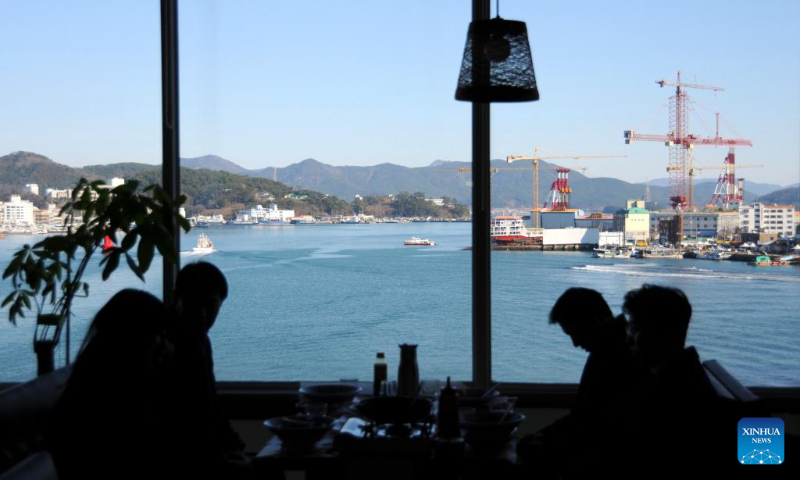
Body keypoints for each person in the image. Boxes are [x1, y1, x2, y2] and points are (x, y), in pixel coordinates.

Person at [518, 288, 646, 478]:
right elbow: (586, 418)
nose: (575, 343)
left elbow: (598, 430)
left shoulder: (616, 358)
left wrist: (546, 441)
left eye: (575, 333)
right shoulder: (611, 349)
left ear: (594, 323)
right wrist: (545, 437)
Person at [47, 289, 174, 479]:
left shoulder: (94, 390)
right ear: (135, 339)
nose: (167, 346)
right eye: (160, 335)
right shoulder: (114, 408)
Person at [164, 261, 250, 478]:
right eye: (194, 303)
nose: (203, 313)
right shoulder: (164, 344)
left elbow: (209, 406)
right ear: (178, 297)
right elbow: (183, 419)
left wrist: (235, 446)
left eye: (210, 305)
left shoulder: (200, 341)